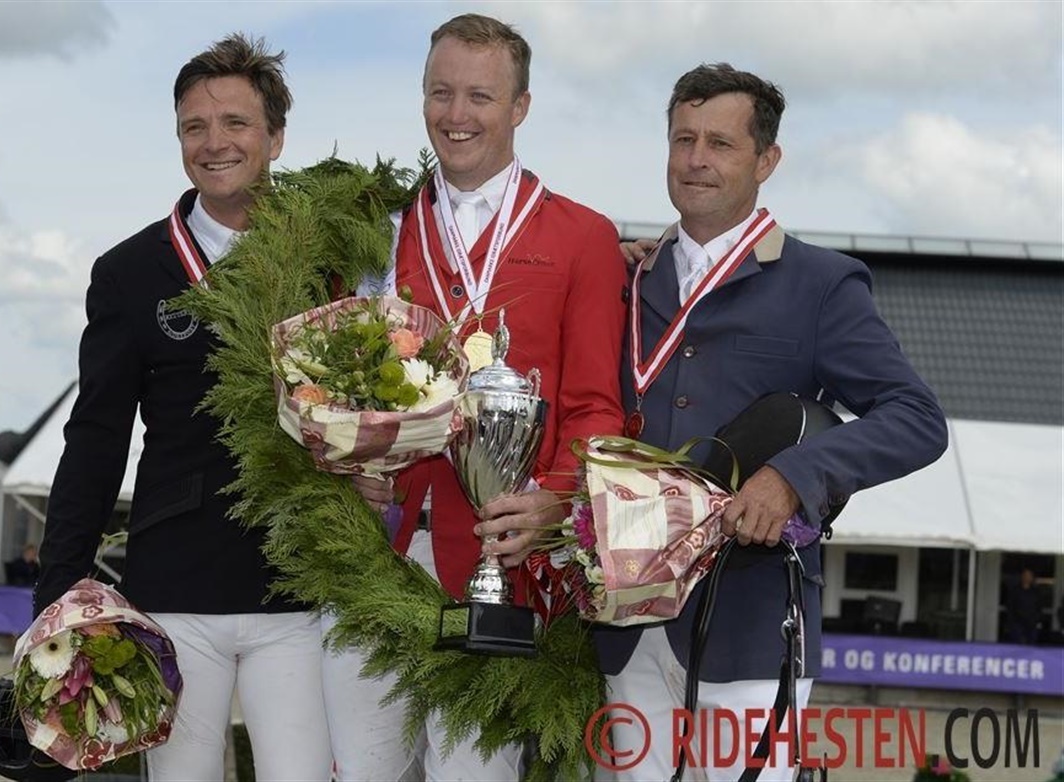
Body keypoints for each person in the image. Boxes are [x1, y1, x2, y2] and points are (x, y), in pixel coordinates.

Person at [602, 63, 949, 781]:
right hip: (625, 624)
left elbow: (917, 418)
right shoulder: (626, 276)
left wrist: (794, 477)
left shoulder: (821, 284)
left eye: (721, 143)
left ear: (766, 160)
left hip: (753, 624)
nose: (696, 159)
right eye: (683, 139)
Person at [330, 13, 627, 781]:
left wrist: (556, 500)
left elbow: (596, 406)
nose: (455, 115)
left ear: (520, 107)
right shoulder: (376, 231)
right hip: (374, 553)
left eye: (480, 97)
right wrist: (345, 459)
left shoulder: (584, 237)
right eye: (440, 92)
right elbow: (332, 379)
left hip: (501, 565)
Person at [34, 34, 331, 781]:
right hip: (175, 592)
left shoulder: (328, 259)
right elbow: (97, 437)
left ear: (275, 138)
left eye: (235, 123)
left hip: (298, 587)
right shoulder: (130, 272)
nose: (213, 142)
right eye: (194, 127)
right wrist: (58, 588)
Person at [1005, 567, 1043, 644]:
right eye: (1025, 575)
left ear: (1032, 578)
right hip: (1018, 624)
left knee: (1031, 644)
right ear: (1022, 576)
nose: (1027, 577)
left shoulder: (1036, 592)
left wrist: (1037, 620)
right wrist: (1011, 622)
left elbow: (1039, 607)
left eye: (1029, 575)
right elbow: (1010, 607)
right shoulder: (1015, 591)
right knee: (1019, 644)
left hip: (1032, 624)